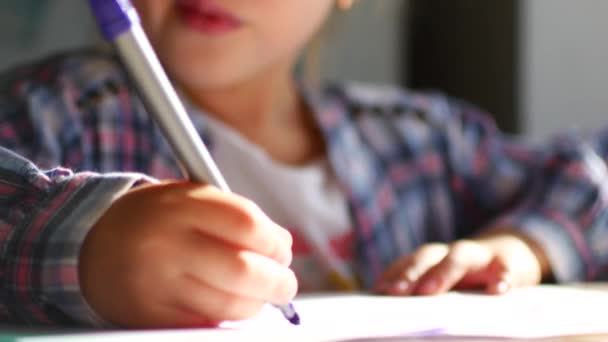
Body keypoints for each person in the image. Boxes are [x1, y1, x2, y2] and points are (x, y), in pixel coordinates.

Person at [0, 0, 606, 329]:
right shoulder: (55, 112)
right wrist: (87, 246)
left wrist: (523, 246)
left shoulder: (419, 138)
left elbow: (589, 173)